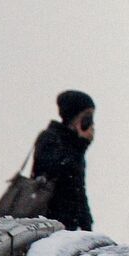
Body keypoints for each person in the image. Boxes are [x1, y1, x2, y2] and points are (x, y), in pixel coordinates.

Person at [31, 90, 95, 231]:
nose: (91, 123)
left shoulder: (74, 143)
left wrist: (86, 224)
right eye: (86, 117)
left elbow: (78, 188)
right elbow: (57, 169)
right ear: (74, 116)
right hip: (50, 220)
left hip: (72, 222)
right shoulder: (51, 138)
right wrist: (81, 145)